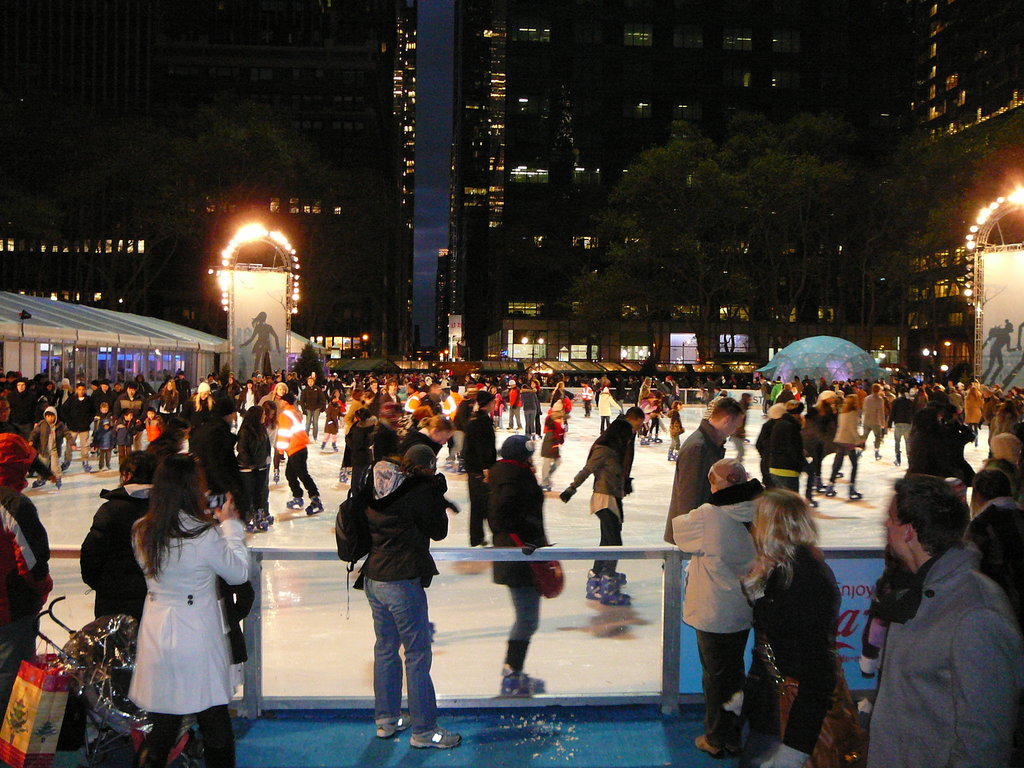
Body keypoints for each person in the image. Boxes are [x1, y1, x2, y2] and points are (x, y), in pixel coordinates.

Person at [868, 474, 1024, 767]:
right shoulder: (917, 592)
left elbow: (985, 740)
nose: (885, 525)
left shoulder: (976, 612)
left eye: (891, 518)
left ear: (909, 531)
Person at [129, 454, 249, 768]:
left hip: (157, 631)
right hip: (196, 633)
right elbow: (238, 572)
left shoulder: (142, 531)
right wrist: (230, 526)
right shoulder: (203, 534)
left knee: (164, 725)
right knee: (214, 718)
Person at [359, 445, 461, 748]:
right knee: (416, 655)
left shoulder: (379, 486)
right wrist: (435, 493)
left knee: (386, 649)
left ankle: (386, 720)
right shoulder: (417, 493)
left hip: (374, 577)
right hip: (401, 581)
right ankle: (424, 731)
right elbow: (438, 531)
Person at [740, 488, 841, 768]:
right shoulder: (781, 571)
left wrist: (794, 750)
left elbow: (816, 669)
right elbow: (771, 640)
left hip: (788, 716)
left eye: (758, 521)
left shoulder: (804, 580)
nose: (753, 529)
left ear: (773, 527)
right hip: (771, 704)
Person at [672, 459, 762, 759]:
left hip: (714, 610)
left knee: (716, 678)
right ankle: (734, 736)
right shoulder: (759, 510)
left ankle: (715, 738)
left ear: (717, 484)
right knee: (734, 672)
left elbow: (679, 533)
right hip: (743, 607)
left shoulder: (708, 516)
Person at [488, 434, 548, 696]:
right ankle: (512, 672)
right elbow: (501, 516)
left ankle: (513, 670)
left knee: (527, 618)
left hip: (519, 554)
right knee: (527, 619)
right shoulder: (515, 477)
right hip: (520, 557)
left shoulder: (508, 474)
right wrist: (529, 535)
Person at [0, 434, 53, 711]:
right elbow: (32, 564)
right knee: (10, 684)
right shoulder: (13, 504)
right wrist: (42, 588)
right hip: (10, 611)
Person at [559, 419, 633, 605]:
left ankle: (596, 578)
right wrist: (571, 489)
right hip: (603, 499)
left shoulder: (613, 451)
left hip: (611, 498)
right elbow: (587, 470)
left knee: (608, 541)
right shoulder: (603, 450)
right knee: (614, 543)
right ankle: (607, 583)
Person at [79, 451, 158, 620]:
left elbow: (91, 554)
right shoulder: (167, 509)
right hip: (157, 600)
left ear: (126, 475)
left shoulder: (110, 510)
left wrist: (103, 585)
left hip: (114, 600)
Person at [664, 397, 745, 543]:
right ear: (726, 420)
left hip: (702, 530)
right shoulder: (698, 447)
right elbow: (688, 496)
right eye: (736, 426)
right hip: (693, 536)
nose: (735, 431)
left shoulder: (711, 444)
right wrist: (690, 538)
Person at [276, 393, 323, 515]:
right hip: (300, 448)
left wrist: (280, 451)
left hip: (295, 448)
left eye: (280, 400)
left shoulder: (285, 415)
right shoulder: (293, 412)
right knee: (290, 474)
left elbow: (284, 434)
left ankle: (315, 499)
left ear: (285, 402)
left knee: (303, 475)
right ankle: (297, 496)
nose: (279, 402)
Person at [463, 391, 498, 547]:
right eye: (493, 402)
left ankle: (477, 537)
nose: (495, 404)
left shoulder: (475, 419)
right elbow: (482, 447)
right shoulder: (482, 422)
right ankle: (493, 535)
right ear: (488, 404)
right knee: (484, 503)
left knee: (478, 504)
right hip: (479, 469)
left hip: (474, 468)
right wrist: (486, 468)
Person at [236, 405, 273, 532]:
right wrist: (251, 464)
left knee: (260, 492)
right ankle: (247, 517)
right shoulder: (245, 431)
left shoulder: (262, 429)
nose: (265, 416)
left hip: (261, 466)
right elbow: (242, 449)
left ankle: (259, 514)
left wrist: (266, 459)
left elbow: (267, 446)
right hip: (247, 468)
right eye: (263, 414)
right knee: (248, 493)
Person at [825, 394, 864, 501]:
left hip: (840, 439)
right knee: (854, 465)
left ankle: (830, 485)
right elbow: (853, 429)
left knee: (838, 463)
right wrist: (859, 441)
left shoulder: (842, 412)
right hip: (848, 441)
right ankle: (852, 488)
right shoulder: (853, 414)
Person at [61, 382, 96, 472]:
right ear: (76, 390)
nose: (81, 391)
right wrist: (69, 421)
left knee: (85, 446)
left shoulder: (89, 400)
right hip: (73, 427)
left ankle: (85, 462)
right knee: (69, 445)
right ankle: (67, 461)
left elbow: (93, 411)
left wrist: (89, 420)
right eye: (79, 389)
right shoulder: (71, 399)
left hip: (84, 427)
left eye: (83, 389)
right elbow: (63, 410)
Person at [29, 406, 65, 489]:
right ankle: (40, 479)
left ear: (55, 416)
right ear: (45, 416)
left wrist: (71, 442)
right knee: (42, 465)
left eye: (52, 416)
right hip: (44, 449)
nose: (50, 418)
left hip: (55, 450)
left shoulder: (59, 425)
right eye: (48, 416)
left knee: (55, 466)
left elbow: (67, 433)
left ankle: (58, 478)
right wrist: (31, 440)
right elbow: (34, 433)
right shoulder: (42, 424)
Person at [539, 404, 565, 492]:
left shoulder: (557, 421)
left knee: (557, 462)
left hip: (554, 445)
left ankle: (546, 478)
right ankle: (544, 482)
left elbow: (560, 436)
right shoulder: (551, 420)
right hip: (549, 444)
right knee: (547, 462)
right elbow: (549, 431)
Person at [299, 374, 326, 441]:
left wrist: (322, 407)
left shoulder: (318, 389)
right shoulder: (305, 390)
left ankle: (315, 436)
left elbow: (322, 398)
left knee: (315, 422)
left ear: (314, 382)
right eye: (309, 381)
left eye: (311, 381)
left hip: (316, 408)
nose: (310, 383)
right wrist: (303, 409)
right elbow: (302, 400)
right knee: (308, 422)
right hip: (308, 408)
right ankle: (306, 436)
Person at [92, 400, 116, 471]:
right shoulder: (98, 417)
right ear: (100, 409)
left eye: (106, 409)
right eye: (103, 409)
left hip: (109, 436)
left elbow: (112, 425)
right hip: (101, 437)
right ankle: (101, 465)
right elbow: (96, 427)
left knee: (108, 453)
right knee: (101, 453)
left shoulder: (110, 416)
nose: (105, 411)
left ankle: (108, 464)